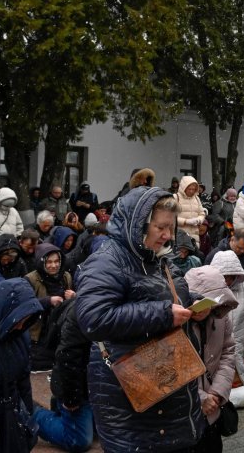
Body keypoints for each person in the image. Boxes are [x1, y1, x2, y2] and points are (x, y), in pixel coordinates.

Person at [75, 187, 205, 451]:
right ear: (138, 224)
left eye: (171, 227)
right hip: (130, 393)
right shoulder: (106, 261)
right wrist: (163, 314)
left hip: (167, 379)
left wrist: (195, 305)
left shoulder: (155, 257)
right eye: (161, 228)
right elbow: (94, 318)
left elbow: (174, 292)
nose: (168, 236)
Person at [0, 278, 43, 451]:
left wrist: (27, 418)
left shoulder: (19, 335)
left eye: (27, 321)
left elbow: (23, 380)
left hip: (10, 423)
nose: (21, 326)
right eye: (18, 320)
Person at [184, 266, 238, 453]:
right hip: (186, 415)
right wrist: (200, 398)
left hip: (213, 411)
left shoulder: (222, 318)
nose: (201, 309)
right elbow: (172, 370)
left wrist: (217, 393)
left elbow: (228, 353)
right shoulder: (177, 325)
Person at [32, 299, 95, 453]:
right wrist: (71, 398)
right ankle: (30, 412)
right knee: (79, 440)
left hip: (95, 384)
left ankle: (61, 406)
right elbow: (68, 358)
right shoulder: (83, 310)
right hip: (77, 385)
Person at [209, 250, 244, 397]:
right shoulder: (208, 288)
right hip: (216, 345)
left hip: (239, 343)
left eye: (230, 277)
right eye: (224, 277)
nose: (227, 281)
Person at [25, 243, 75, 371]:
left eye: (57, 261)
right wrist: (48, 301)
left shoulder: (66, 277)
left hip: (59, 330)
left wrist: (74, 296)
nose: (54, 266)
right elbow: (24, 305)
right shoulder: (31, 279)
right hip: (39, 333)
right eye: (49, 262)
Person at [176, 175, 208, 243]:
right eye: (189, 189)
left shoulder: (196, 198)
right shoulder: (175, 198)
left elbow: (202, 213)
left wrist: (199, 220)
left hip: (194, 236)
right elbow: (170, 217)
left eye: (193, 189)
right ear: (183, 188)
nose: (191, 191)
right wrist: (186, 221)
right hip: (179, 235)